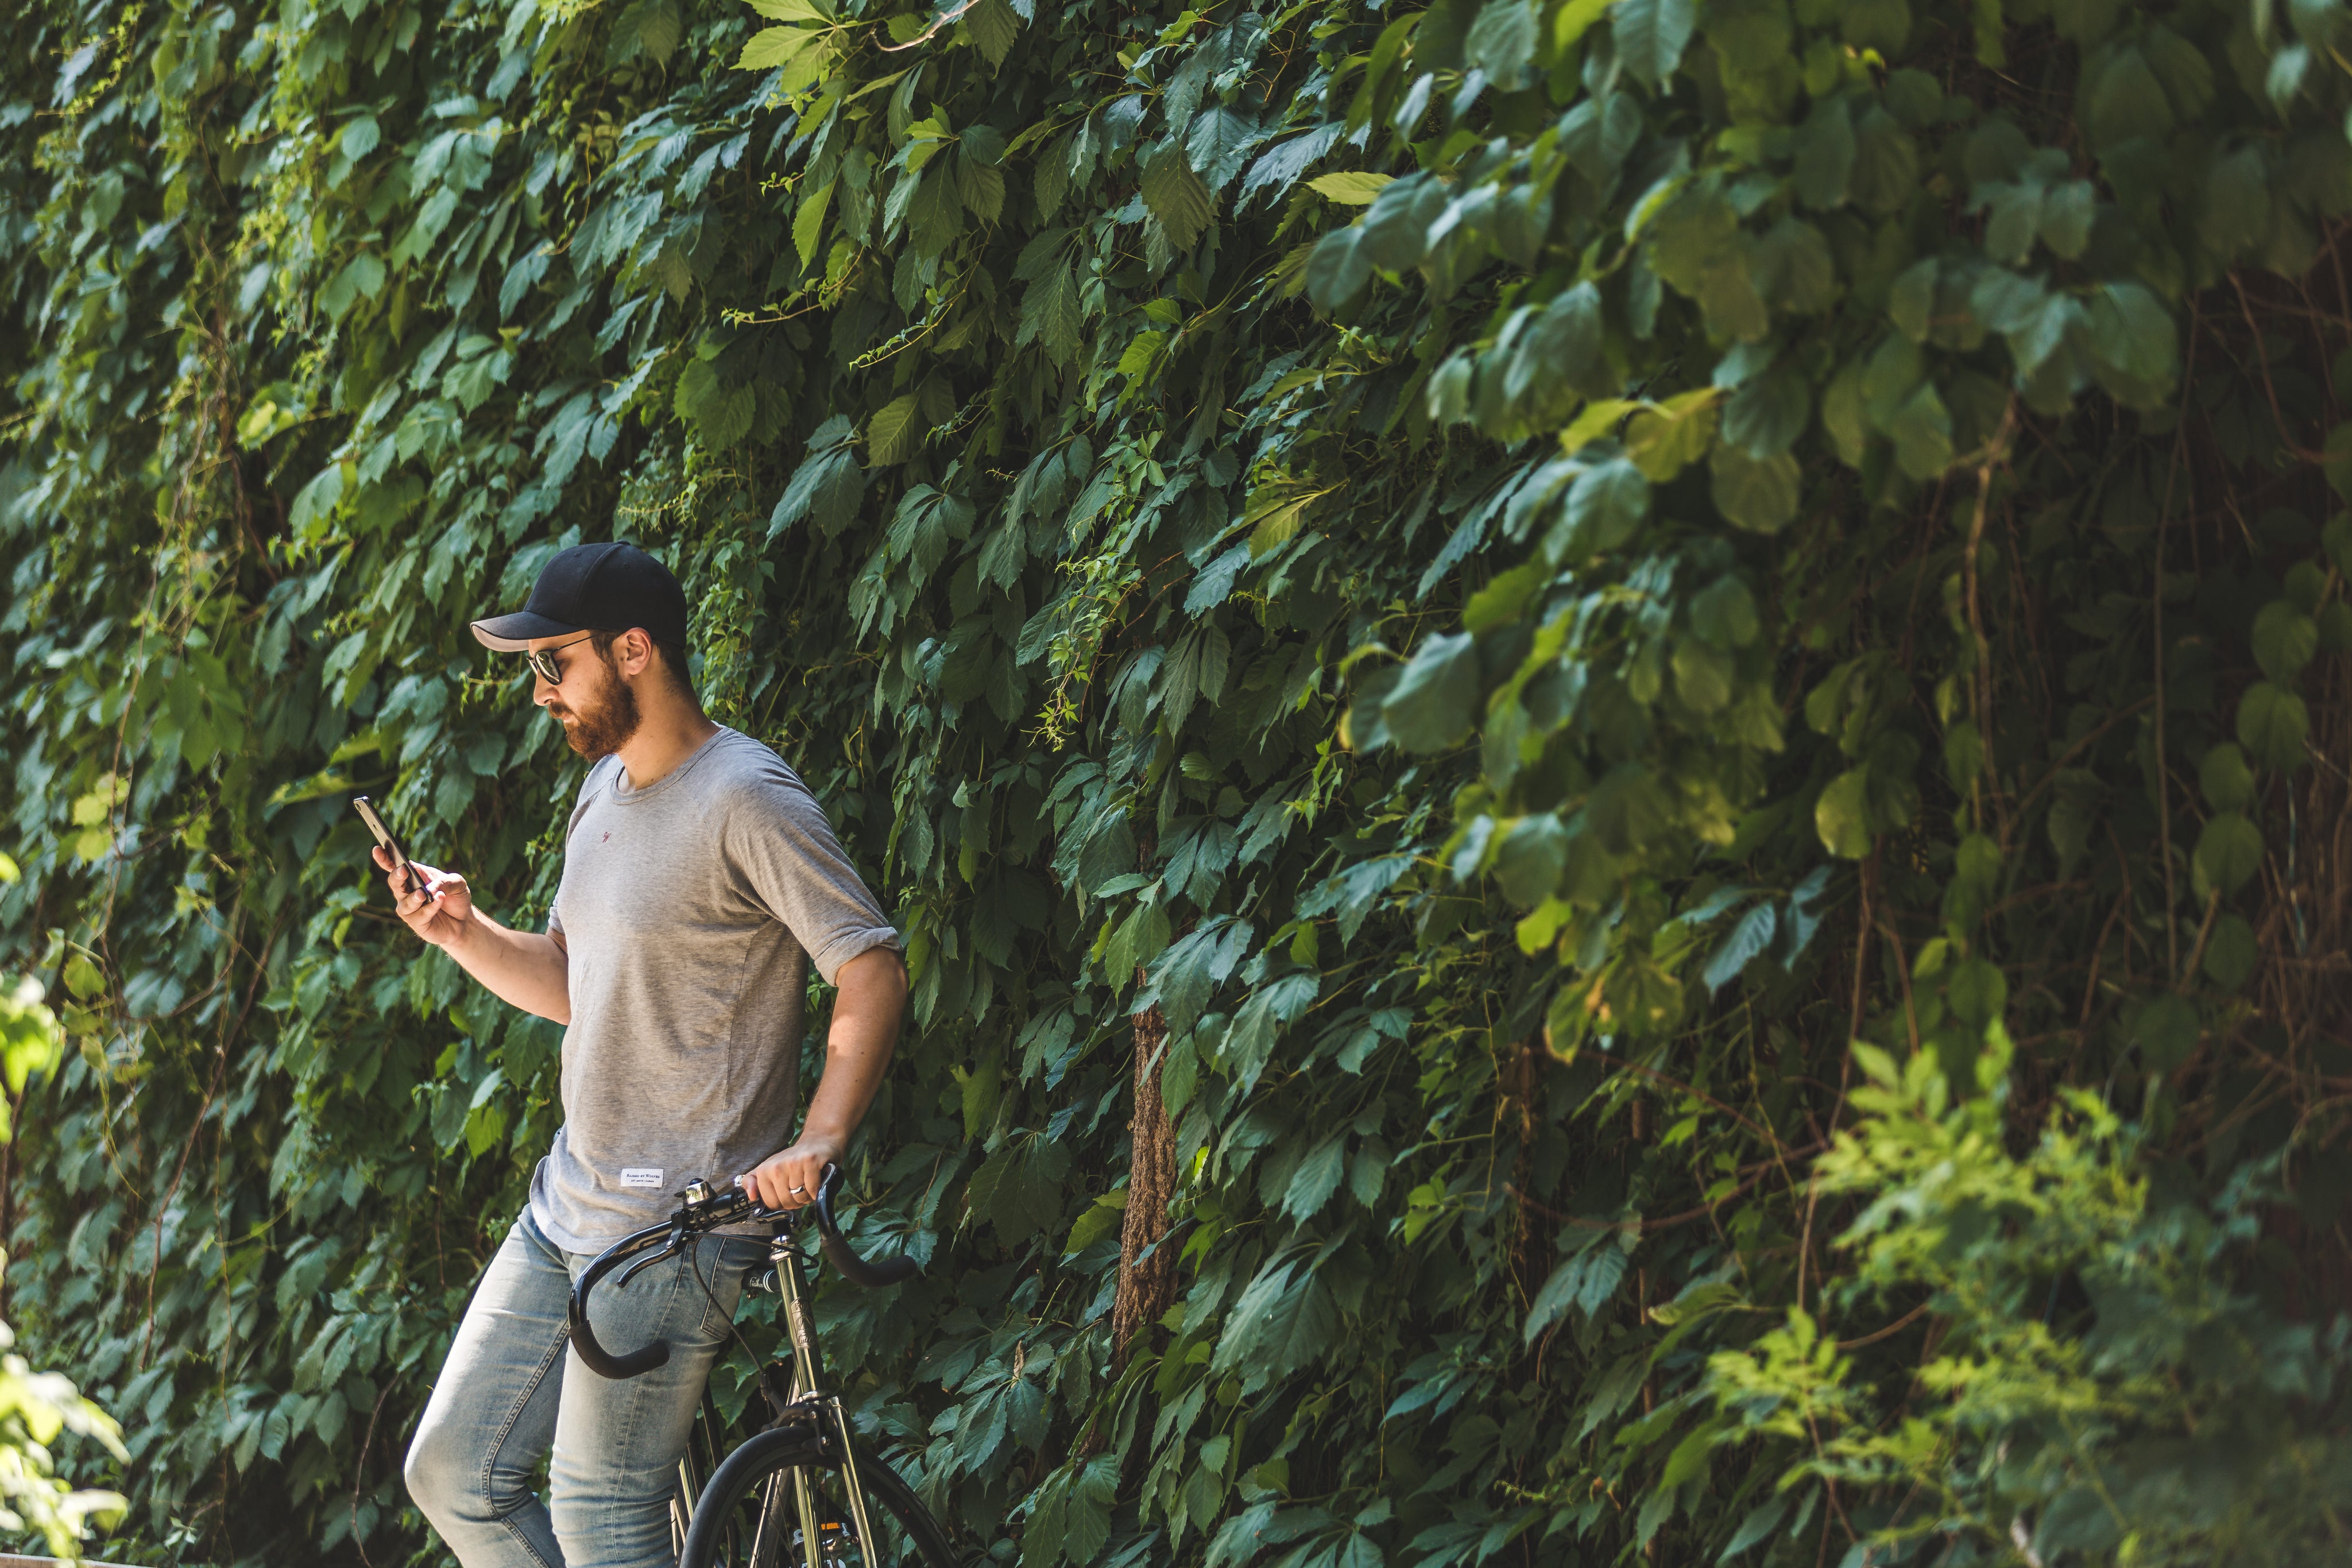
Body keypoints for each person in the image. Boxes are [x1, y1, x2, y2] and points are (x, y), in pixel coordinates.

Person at [384, 540, 907, 1568]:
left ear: (633, 651)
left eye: (555, 663)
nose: (541, 691)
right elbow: (575, 984)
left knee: (600, 1518)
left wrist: (820, 1137)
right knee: (451, 1474)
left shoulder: (746, 796)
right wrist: (463, 932)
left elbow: (870, 965)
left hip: (679, 1226)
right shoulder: (603, 792)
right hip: (569, 1205)